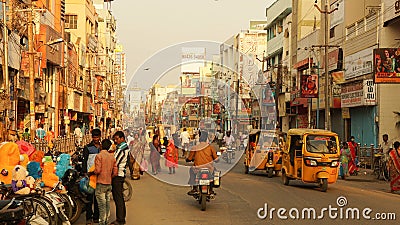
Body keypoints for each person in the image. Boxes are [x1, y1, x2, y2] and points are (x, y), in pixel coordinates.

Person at [91, 139, 118, 225]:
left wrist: (91, 172)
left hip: (101, 183)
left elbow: (98, 170)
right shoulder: (112, 156)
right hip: (108, 183)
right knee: (107, 204)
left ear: (101, 145)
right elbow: (115, 172)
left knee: (101, 206)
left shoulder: (99, 156)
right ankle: (106, 221)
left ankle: (102, 222)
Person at [186, 131, 218, 195]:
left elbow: (189, 158)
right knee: (215, 174)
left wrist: (188, 160)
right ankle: (211, 189)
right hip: (209, 168)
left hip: (197, 168)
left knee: (191, 170)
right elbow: (216, 159)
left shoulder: (195, 147)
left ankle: (194, 188)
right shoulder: (210, 148)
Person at [83, 128, 101, 224]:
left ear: (100, 137)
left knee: (98, 197)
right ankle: (88, 217)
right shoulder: (87, 147)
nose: (95, 139)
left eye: (97, 137)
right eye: (94, 137)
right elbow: (84, 161)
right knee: (89, 198)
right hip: (90, 176)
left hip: (99, 175)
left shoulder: (102, 147)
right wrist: (85, 173)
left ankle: (96, 217)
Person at [111, 131, 129, 225]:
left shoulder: (122, 149)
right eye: (115, 139)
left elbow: (115, 162)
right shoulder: (120, 148)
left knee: (118, 198)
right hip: (119, 174)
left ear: (122, 138)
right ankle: (121, 218)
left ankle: (120, 219)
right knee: (118, 197)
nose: (116, 141)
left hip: (118, 175)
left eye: (117, 139)